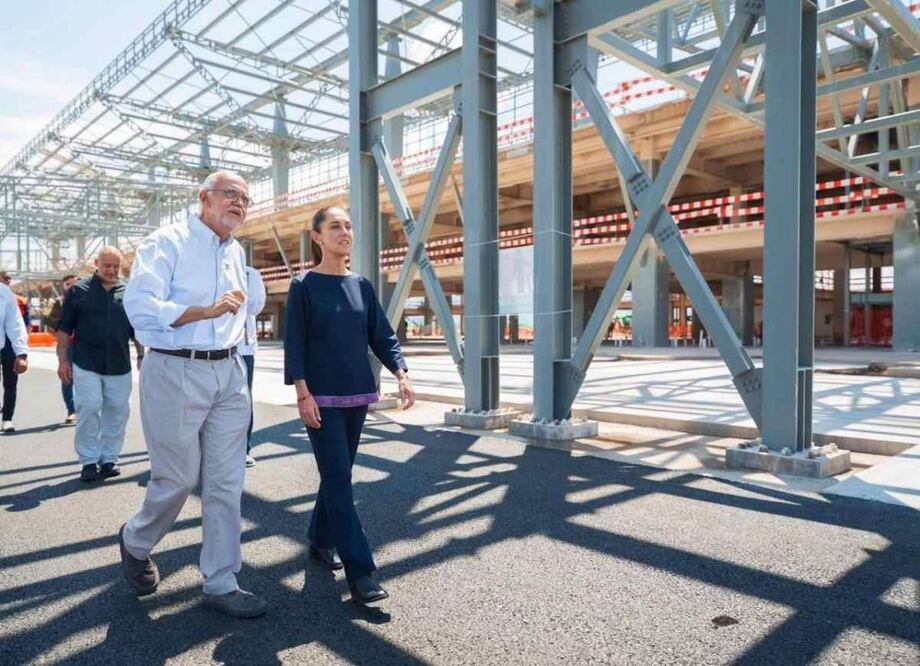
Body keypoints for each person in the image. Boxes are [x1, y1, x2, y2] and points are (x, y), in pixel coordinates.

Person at [119, 170, 265, 619]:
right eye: (230, 195)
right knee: (178, 478)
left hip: (228, 371)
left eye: (245, 198)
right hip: (174, 368)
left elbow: (245, 311)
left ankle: (221, 580)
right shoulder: (167, 241)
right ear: (204, 197)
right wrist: (203, 311)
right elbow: (140, 307)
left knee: (226, 482)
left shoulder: (236, 251)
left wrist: (240, 344)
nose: (239, 204)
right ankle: (136, 540)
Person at [284, 205, 415, 605]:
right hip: (320, 401)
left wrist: (401, 371)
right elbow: (296, 343)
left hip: (358, 395)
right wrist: (302, 394)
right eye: (335, 226)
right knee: (341, 480)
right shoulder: (303, 285)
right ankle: (362, 574)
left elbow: (381, 333)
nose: (345, 232)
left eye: (349, 225)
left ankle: (320, 538)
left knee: (337, 476)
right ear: (318, 237)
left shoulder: (361, 285)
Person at [56, 250, 142, 482]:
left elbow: (137, 330)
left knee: (118, 411)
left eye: (116, 266)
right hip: (86, 362)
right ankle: (88, 461)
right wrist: (63, 360)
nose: (112, 271)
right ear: (96, 264)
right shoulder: (77, 291)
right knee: (89, 407)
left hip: (119, 364)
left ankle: (109, 459)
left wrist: (142, 355)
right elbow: (64, 329)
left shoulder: (129, 292)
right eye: (107, 266)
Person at [239, 265, 266, 468]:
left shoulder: (250, 274)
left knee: (244, 401)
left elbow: (256, 307)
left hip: (243, 349)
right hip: (213, 347)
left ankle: (244, 449)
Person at [46, 274, 79, 425]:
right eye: (68, 284)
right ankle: (71, 410)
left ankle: (85, 410)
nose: (71, 286)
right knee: (67, 378)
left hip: (86, 345)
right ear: (63, 286)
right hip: (67, 346)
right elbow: (48, 320)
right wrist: (62, 329)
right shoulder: (58, 303)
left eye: (75, 283)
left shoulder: (87, 299)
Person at [0, 271, 30, 432]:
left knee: (10, 383)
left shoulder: (5, 294)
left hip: (8, 346)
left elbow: (15, 323)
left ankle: (7, 419)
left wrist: (22, 353)